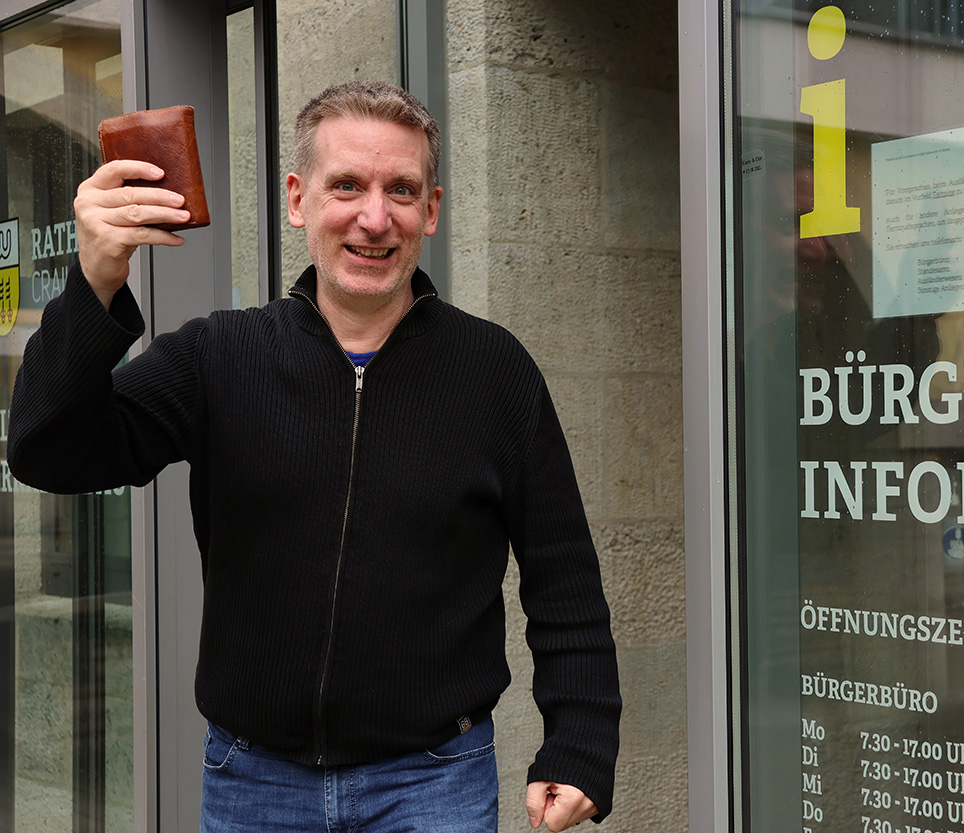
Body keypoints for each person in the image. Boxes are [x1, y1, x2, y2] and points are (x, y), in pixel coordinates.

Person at [7, 81, 620, 833]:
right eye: (347, 186)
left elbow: (564, 577)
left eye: (401, 189)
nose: (374, 216)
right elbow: (46, 450)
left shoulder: (494, 372)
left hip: (434, 785)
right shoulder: (218, 356)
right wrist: (94, 282)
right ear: (298, 200)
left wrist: (580, 740)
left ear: (430, 210)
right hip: (253, 784)